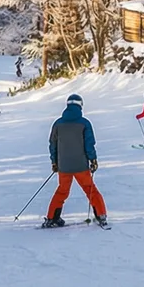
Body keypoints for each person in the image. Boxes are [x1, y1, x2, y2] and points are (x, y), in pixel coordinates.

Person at [46, 93, 106, 227]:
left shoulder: (58, 123)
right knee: (90, 189)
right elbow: (89, 144)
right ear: (80, 106)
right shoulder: (84, 123)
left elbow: (52, 144)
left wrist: (54, 162)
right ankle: (101, 214)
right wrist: (93, 160)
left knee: (62, 191)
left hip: (64, 166)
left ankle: (52, 218)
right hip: (81, 166)